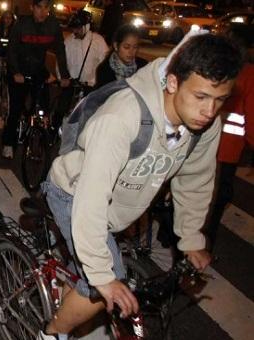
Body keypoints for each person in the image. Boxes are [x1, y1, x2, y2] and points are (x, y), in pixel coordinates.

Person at [39, 33, 243, 339]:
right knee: (105, 279)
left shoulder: (205, 126)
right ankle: (50, 333)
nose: (210, 111)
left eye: (220, 100)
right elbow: (91, 197)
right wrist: (102, 276)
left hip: (118, 204)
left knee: (95, 272)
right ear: (173, 83)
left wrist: (190, 237)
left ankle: (74, 291)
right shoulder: (123, 117)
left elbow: (195, 180)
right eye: (200, 97)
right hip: (74, 192)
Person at [2, 0, 70, 159]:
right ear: (32, 8)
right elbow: (11, 50)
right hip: (19, 70)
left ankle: (39, 143)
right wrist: (16, 72)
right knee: (16, 109)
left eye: (46, 7)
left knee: (43, 108)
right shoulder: (21, 24)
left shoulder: (53, 26)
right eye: (39, 7)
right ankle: (8, 143)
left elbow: (60, 50)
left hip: (38, 69)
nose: (43, 11)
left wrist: (65, 75)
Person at [207, 26, 253, 252]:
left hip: (201, 142)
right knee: (216, 200)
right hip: (226, 150)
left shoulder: (216, 65)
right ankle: (201, 249)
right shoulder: (248, 74)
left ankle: (171, 234)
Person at [54, 10, 108, 128]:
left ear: (87, 26)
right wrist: (62, 78)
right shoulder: (68, 41)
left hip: (91, 86)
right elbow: (60, 62)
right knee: (61, 109)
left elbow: (105, 64)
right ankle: (52, 134)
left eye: (78, 28)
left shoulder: (98, 41)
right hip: (71, 83)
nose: (75, 31)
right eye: (73, 28)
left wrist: (98, 83)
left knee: (90, 114)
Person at [95, 24, 148, 89]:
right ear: (116, 46)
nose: (131, 52)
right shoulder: (104, 71)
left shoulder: (144, 66)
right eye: (126, 47)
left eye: (135, 47)